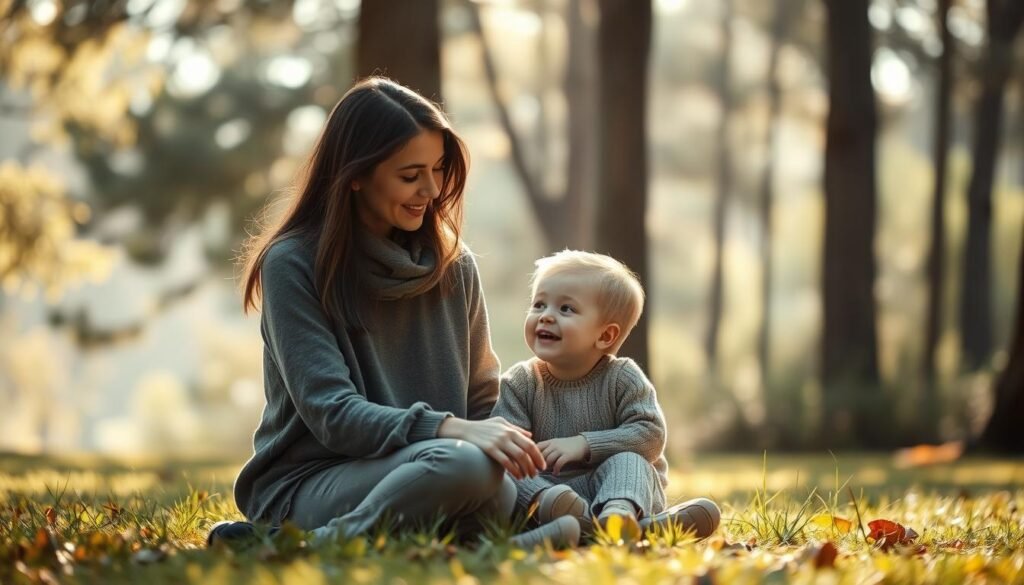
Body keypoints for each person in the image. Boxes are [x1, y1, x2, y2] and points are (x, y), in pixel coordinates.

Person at [208, 77, 579, 549]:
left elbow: (482, 398)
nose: (430, 190)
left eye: (439, 169)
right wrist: (451, 431)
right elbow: (333, 414)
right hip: (311, 481)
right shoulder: (293, 264)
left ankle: (478, 548)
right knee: (467, 467)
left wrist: (516, 449)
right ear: (356, 174)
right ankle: (292, 546)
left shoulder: (454, 265)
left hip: (440, 467)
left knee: (495, 481)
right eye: (410, 175)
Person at [491, 250, 720, 541]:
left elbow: (650, 434)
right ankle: (631, 531)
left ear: (605, 336)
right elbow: (504, 445)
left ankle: (618, 518)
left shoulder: (622, 376)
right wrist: (534, 478)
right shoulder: (520, 382)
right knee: (504, 469)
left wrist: (584, 444)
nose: (546, 316)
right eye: (539, 304)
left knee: (631, 461)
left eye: (566, 309)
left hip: (614, 488)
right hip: (550, 494)